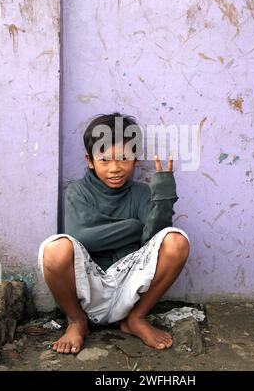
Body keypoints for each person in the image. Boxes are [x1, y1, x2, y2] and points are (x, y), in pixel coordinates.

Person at [38, 112, 190, 354]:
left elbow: (153, 241)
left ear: (135, 160)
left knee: (177, 241)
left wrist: (163, 197)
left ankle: (136, 319)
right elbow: (82, 238)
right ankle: (77, 322)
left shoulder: (141, 193)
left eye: (123, 159)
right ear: (90, 160)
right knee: (56, 249)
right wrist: (134, 227)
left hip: (131, 284)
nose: (115, 168)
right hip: (89, 285)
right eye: (105, 160)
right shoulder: (77, 192)